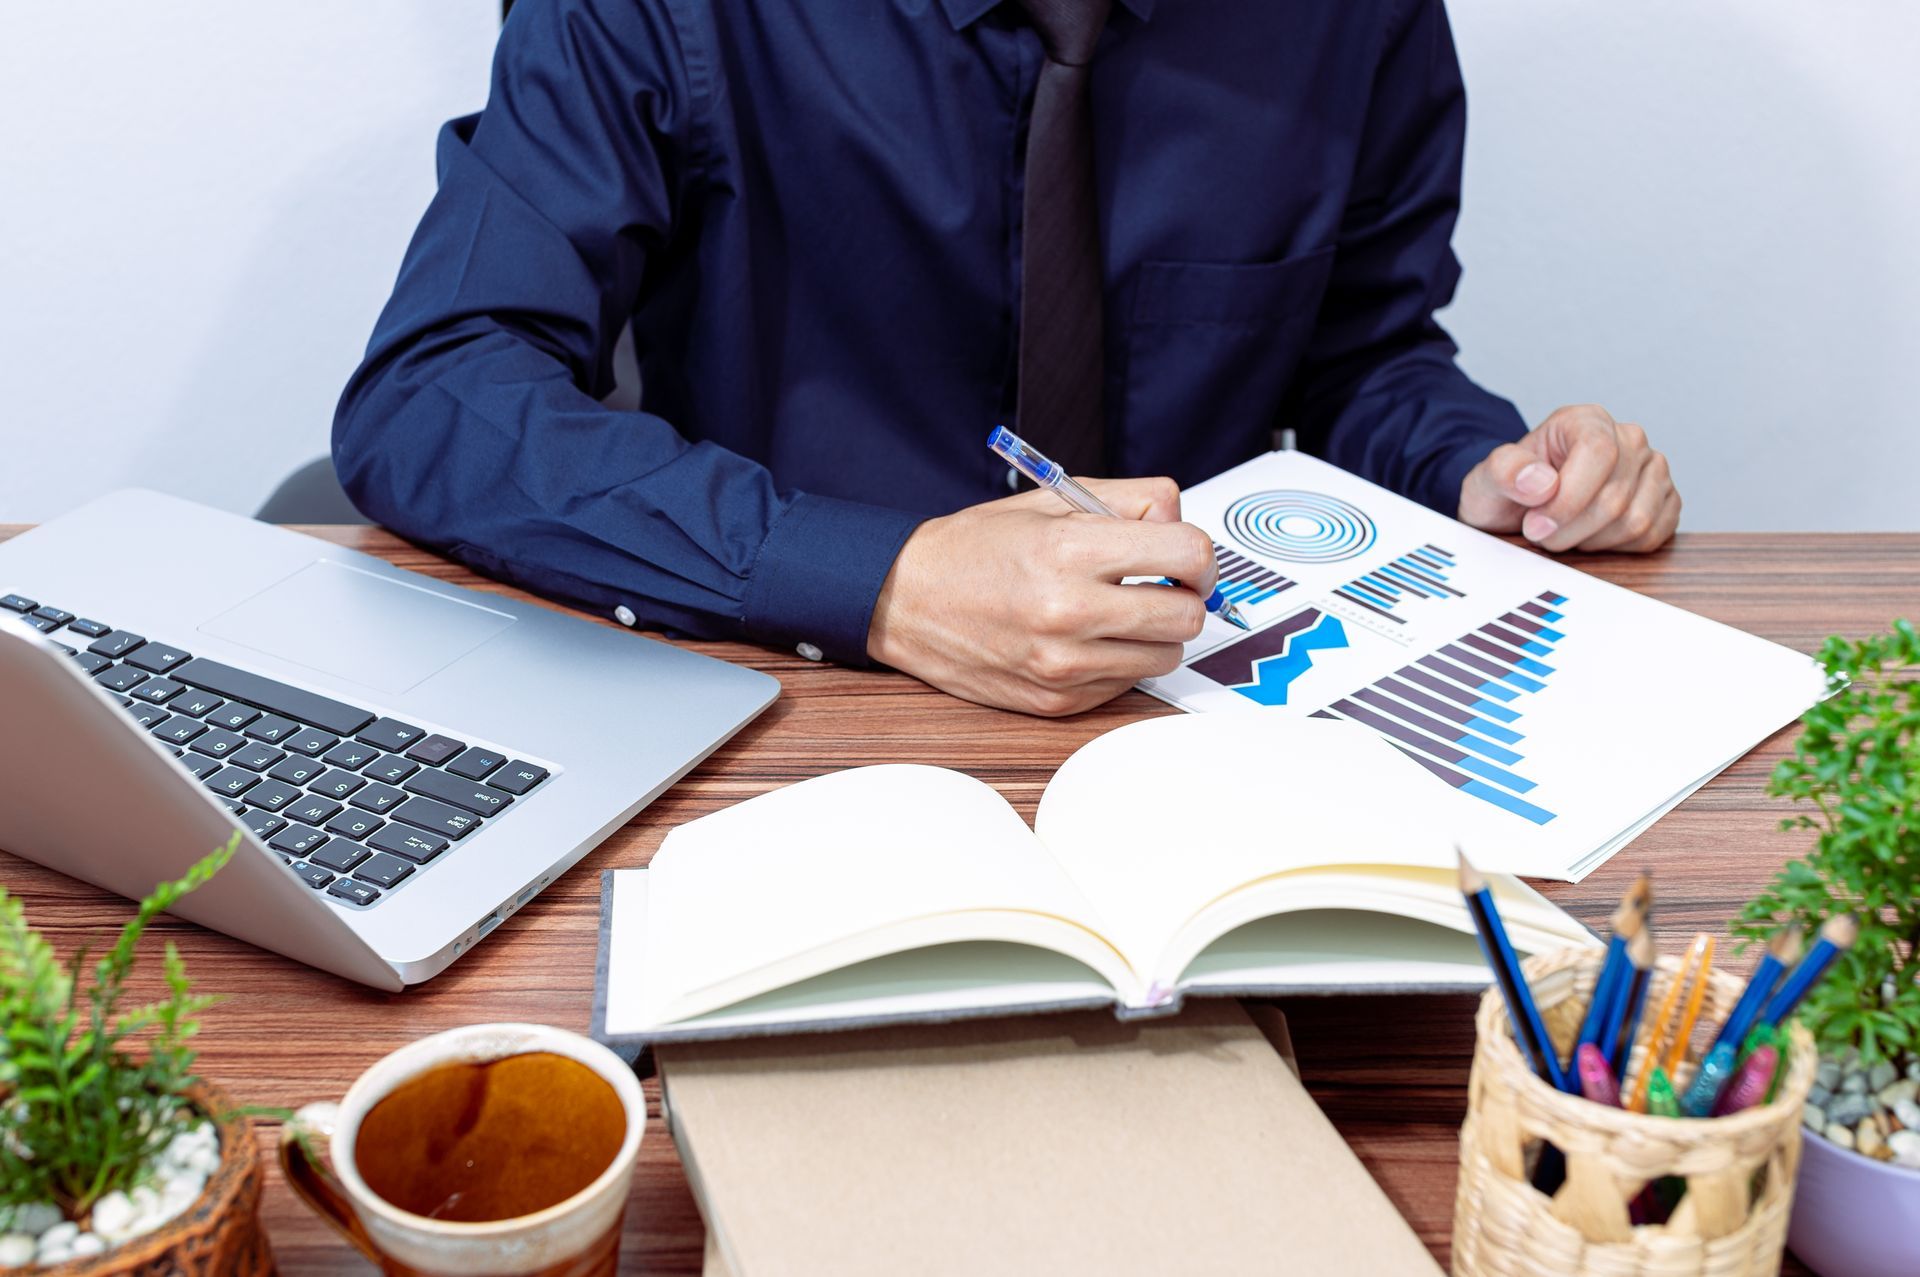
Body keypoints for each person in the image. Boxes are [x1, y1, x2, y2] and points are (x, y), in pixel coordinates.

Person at [336, 0, 1680, 717]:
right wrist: (888, 581)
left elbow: (1361, 350)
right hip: (785, 699)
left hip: (1198, 714)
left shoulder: (1351, 16)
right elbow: (435, 388)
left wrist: (1479, 467)